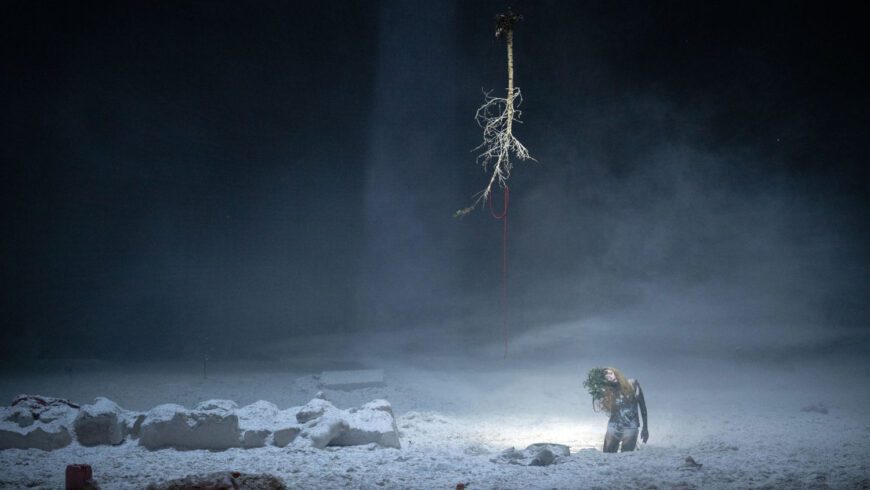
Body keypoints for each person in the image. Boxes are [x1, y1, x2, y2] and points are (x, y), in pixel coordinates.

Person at [585, 367, 648, 453]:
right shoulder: (607, 391)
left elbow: (642, 406)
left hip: (631, 426)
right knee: (607, 456)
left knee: (626, 456)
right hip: (614, 427)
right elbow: (599, 406)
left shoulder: (632, 384)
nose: (609, 376)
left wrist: (645, 428)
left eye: (610, 373)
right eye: (605, 376)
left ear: (616, 373)